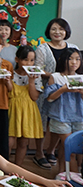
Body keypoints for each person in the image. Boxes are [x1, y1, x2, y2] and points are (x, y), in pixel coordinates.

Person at [34, 18, 79, 169]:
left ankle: (51, 151)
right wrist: (55, 77)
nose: (57, 32)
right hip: (47, 88)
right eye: (53, 29)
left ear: (66, 31)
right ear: (49, 31)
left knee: (58, 121)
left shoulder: (73, 47)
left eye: (61, 29)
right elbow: (38, 69)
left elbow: (77, 68)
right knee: (43, 122)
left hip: (68, 95)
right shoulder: (42, 48)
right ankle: (39, 153)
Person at [44, 48, 83, 174]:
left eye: (77, 59)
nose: (74, 62)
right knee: (70, 148)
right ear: (63, 60)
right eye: (70, 58)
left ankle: (62, 173)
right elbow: (49, 98)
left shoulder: (80, 77)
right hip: (60, 117)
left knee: (66, 147)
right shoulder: (55, 77)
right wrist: (63, 90)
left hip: (79, 117)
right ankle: (76, 179)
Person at [9, 46, 43, 166]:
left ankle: (18, 168)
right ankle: (4, 168)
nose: (29, 63)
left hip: (28, 111)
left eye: (32, 60)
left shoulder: (36, 75)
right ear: (17, 59)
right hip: (12, 111)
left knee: (23, 142)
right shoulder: (10, 74)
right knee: (8, 141)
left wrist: (31, 81)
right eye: (25, 60)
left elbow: (34, 97)